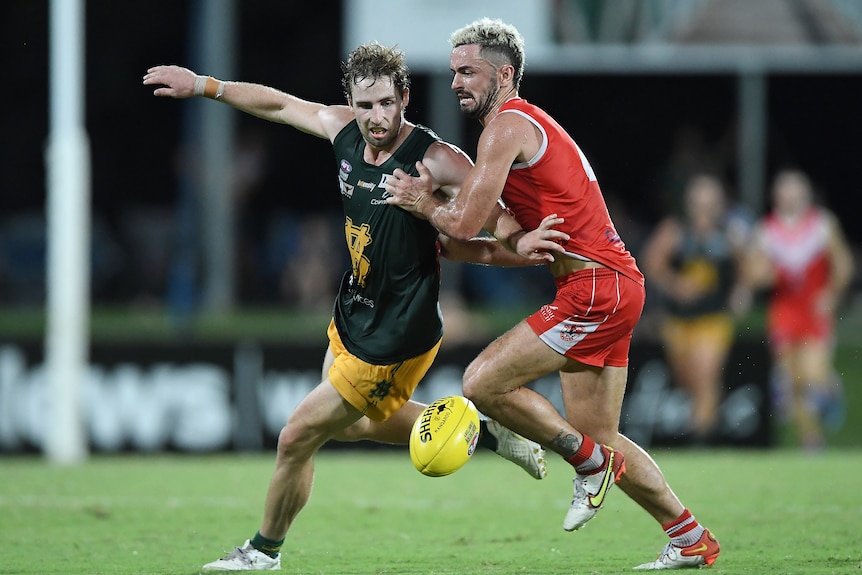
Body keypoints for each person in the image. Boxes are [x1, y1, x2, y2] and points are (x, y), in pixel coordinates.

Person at [144, 42, 568, 571]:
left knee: (296, 436)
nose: (376, 117)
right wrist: (206, 85)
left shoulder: (436, 159)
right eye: (365, 106)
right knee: (352, 427)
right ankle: (481, 431)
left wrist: (520, 242)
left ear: (404, 98)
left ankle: (263, 551)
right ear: (352, 101)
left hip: (397, 333)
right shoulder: (342, 130)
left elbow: (493, 216)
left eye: (387, 103)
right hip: (353, 313)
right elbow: (277, 105)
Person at [385, 17, 720, 570]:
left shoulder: (506, 126)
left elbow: (467, 223)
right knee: (599, 433)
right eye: (452, 73)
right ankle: (689, 537)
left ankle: (589, 465)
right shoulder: (518, 131)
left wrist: (423, 205)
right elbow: (491, 242)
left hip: (594, 289)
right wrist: (445, 238)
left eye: (468, 72)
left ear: (505, 74)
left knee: (483, 381)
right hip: (611, 284)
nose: (456, 83)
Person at [744, 168, 854, 451]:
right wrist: (764, 274)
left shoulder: (822, 225)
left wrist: (831, 293)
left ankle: (829, 388)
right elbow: (754, 273)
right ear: (776, 196)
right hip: (784, 311)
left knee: (812, 375)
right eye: (784, 191)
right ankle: (811, 441)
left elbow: (843, 264)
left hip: (813, 309)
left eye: (795, 190)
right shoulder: (766, 231)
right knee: (792, 381)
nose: (790, 196)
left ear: (805, 195)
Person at [641, 174, 750, 444]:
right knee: (687, 378)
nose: (704, 206)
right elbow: (651, 262)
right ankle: (703, 426)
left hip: (713, 318)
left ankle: (702, 441)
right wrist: (675, 285)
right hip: (678, 320)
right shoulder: (675, 230)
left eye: (710, 200)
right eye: (699, 200)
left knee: (706, 375)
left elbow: (746, 266)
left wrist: (741, 290)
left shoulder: (730, 233)